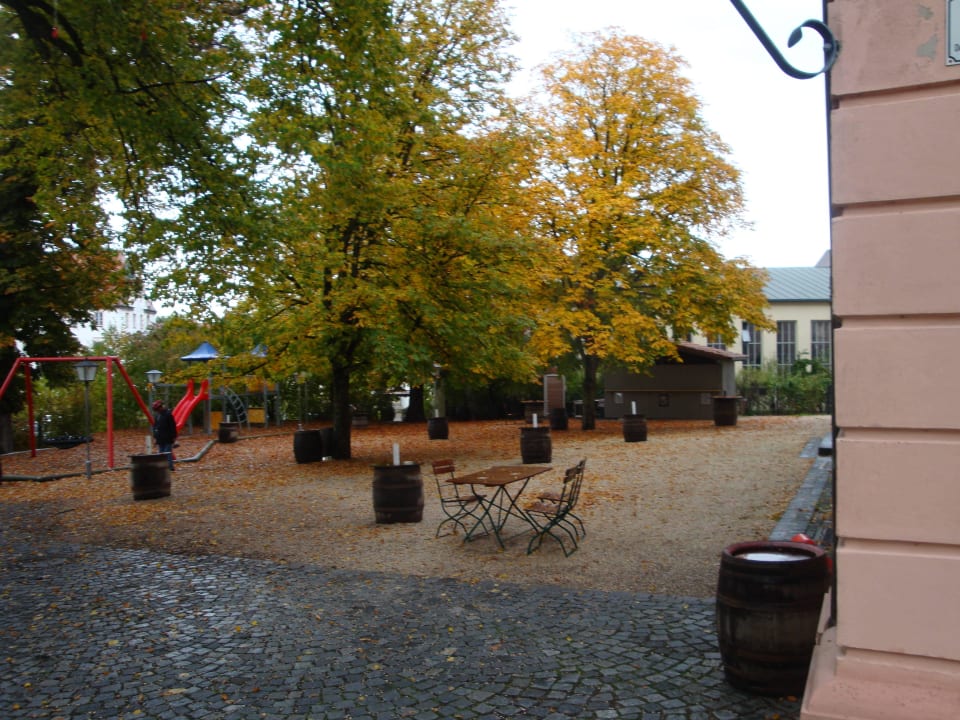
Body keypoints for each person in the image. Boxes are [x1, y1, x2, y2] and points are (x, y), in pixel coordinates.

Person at [152, 400, 178, 470]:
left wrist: (174, 436)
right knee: (161, 453)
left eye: (158, 409)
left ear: (161, 407)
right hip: (160, 438)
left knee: (167, 453)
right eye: (156, 410)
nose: (157, 411)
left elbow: (173, 426)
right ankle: (162, 466)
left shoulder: (168, 415)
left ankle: (170, 467)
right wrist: (155, 437)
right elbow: (155, 427)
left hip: (167, 438)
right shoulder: (157, 416)